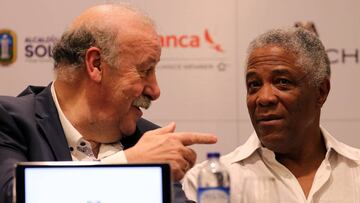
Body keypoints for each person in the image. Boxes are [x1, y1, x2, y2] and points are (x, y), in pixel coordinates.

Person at [0, 4, 217, 203]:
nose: (155, 90)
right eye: (144, 71)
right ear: (96, 65)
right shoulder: (10, 121)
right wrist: (129, 165)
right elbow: (14, 195)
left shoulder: (146, 140)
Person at [183, 27, 360, 202]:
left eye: (282, 82)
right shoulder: (208, 182)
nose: (264, 98)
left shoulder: (356, 170)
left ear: (321, 92)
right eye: (254, 84)